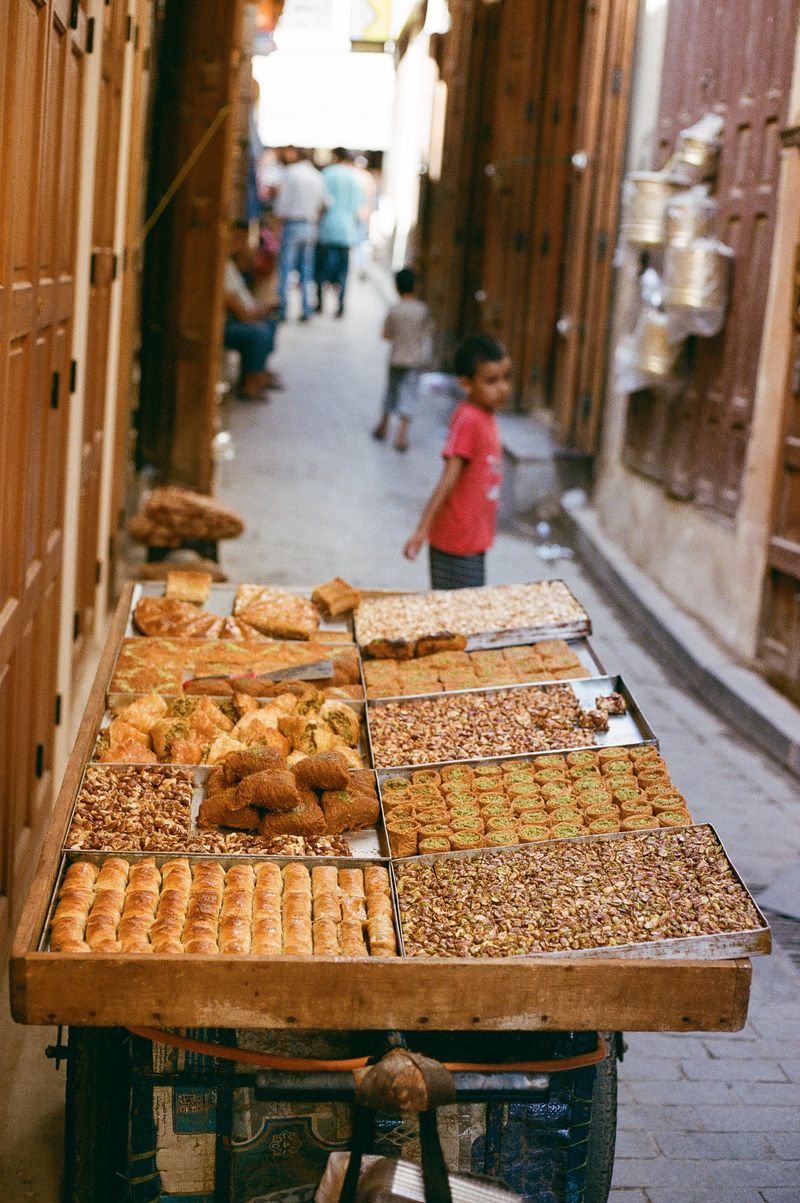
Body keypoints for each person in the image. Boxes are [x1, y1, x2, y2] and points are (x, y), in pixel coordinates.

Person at [403, 334, 511, 588]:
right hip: (455, 542)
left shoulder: (486, 415)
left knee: (462, 616)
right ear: (466, 383)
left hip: (472, 540)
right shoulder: (469, 418)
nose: (503, 388)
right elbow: (449, 478)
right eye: (491, 381)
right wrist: (421, 531)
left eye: (506, 378)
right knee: (455, 618)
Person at [372, 267, 433, 452]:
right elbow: (427, 334)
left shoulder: (394, 309)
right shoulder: (422, 310)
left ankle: (383, 426)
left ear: (396, 287)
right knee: (409, 395)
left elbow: (385, 334)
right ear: (416, 287)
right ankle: (401, 436)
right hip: (414, 361)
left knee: (391, 391)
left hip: (396, 358)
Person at [223, 222, 280, 400]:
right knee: (259, 332)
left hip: (241, 313)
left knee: (269, 322)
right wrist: (254, 315)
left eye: (242, 240)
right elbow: (235, 306)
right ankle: (249, 384)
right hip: (231, 320)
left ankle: (258, 374)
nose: (239, 243)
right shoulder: (221, 265)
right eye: (236, 238)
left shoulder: (233, 263)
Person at [273, 147, 330, 321]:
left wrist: (277, 221)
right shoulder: (317, 176)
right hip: (309, 225)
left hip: (293, 224)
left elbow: (282, 203)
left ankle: (282, 309)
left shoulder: (291, 173)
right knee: (307, 270)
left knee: (286, 269)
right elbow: (326, 203)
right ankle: (306, 310)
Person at [315, 148, 363, 317]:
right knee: (343, 272)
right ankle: (340, 305)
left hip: (327, 229)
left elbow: (321, 201)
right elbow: (359, 207)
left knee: (321, 270)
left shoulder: (327, 174)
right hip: (347, 231)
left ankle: (320, 303)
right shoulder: (355, 179)